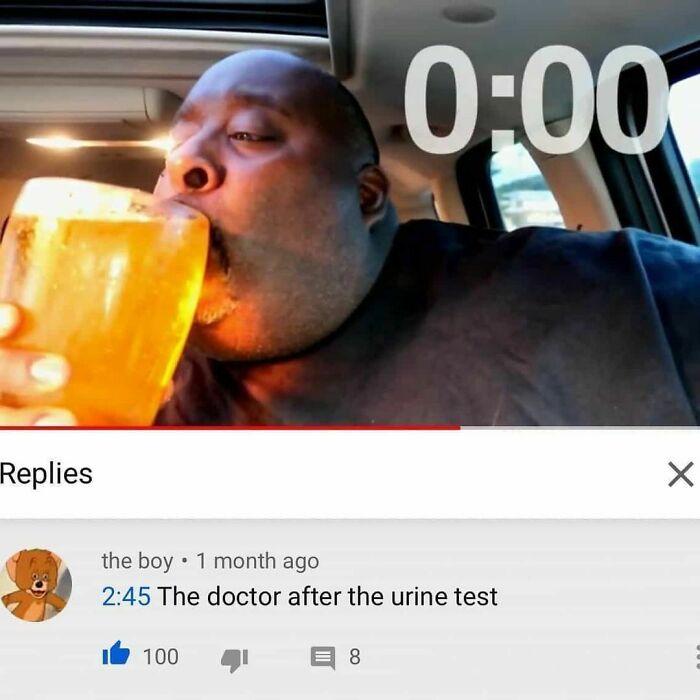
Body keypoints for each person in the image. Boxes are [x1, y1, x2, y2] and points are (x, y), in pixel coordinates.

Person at [1, 49, 700, 426]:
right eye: (174, 147)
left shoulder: (629, 297)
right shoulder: (108, 380)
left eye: (249, 134)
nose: (183, 165)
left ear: (365, 197)